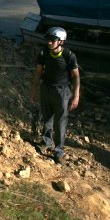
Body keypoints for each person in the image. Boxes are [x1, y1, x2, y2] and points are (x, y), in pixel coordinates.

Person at [29, 27, 80, 164]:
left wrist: (76, 96)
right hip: (46, 89)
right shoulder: (44, 52)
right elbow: (38, 72)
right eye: (48, 40)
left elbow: (75, 76)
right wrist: (34, 90)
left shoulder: (69, 56)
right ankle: (46, 142)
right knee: (47, 118)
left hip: (62, 92)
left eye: (53, 40)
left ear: (61, 42)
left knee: (60, 122)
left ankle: (59, 151)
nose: (49, 42)